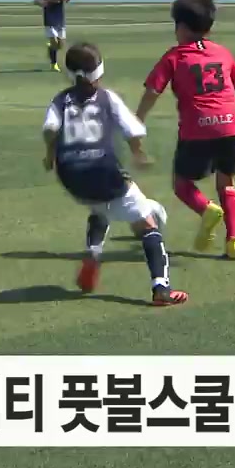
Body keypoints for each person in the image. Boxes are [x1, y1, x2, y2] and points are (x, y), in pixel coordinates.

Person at [43, 43, 187, 307]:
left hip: (71, 177)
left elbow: (50, 129)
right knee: (148, 223)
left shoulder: (60, 100)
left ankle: (93, 251)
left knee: (100, 206)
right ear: (99, 72)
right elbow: (133, 131)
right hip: (104, 173)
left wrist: (49, 155)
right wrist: (138, 153)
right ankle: (161, 288)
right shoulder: (107, 98)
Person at [136, 0, 235, 261]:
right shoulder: (222, 52)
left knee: (181, 184)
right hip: (231, 126)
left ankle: (206, 209)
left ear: (182, 27)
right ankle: (234, 242)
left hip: (197, 127)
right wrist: (230, 116)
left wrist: (137, 121)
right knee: (227, 183)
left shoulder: (174, 57)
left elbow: (152, 91)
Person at [34, 0, 69, 71]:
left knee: (60, 45)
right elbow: (36, 1)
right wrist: (44, 3)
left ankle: (50, 48)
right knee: (54, 40)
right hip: (49, 18)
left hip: (60, 18)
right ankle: (54, 64)